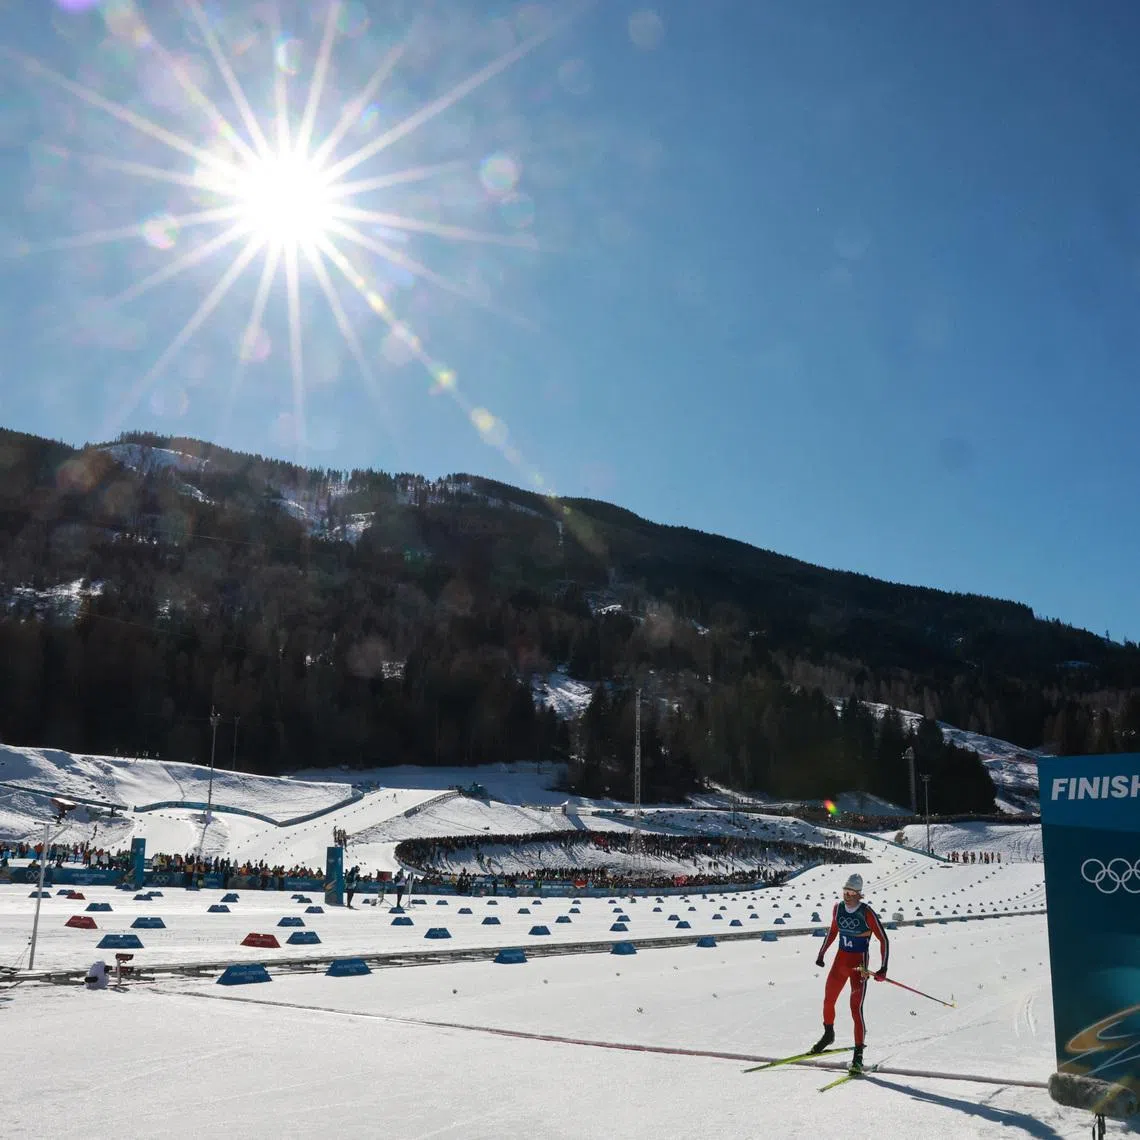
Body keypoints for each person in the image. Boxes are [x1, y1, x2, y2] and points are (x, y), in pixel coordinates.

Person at [809, 872, 889, 1072]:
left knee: (855, 1008)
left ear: (859, 894)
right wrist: (821, 954)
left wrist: (883, 968)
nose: (847, 895)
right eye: (845, 891)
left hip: (858, 965)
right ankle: (828, 1034)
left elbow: (884, 940)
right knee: (828, 1000)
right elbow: (833, 931)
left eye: (851, 892)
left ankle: (859, 1054)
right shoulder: (838, 909)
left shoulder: (866, 912)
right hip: (840, 961)